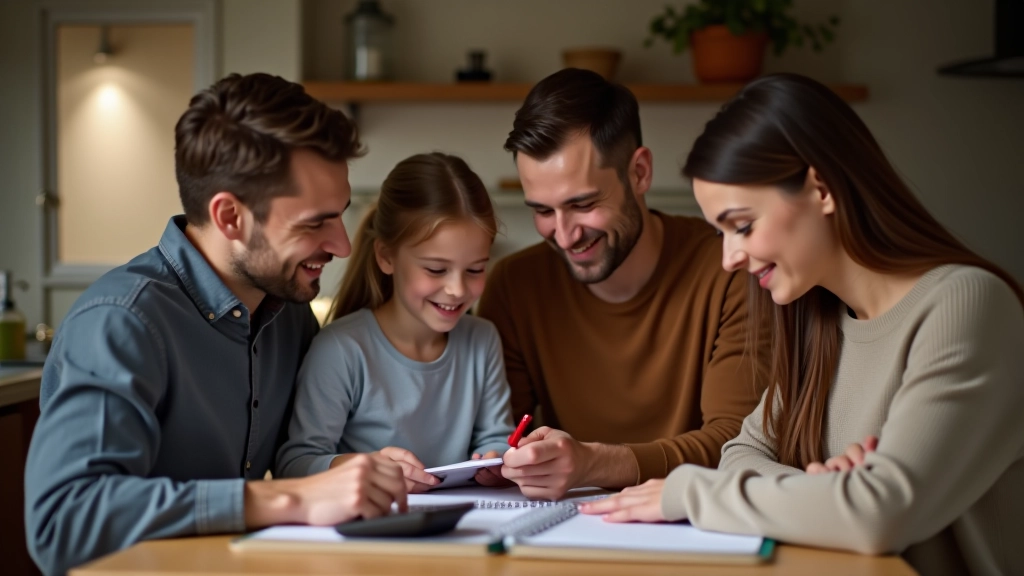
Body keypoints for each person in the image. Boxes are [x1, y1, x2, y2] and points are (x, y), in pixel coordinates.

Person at [581, 73, 1024, 576]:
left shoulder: (967, 306)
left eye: (743, 225)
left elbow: (879, 514)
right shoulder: (818, 320)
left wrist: (687, 491)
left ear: (821, 188)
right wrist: (825, 497)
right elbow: (742, 453)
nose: (729, 257)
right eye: (720, 232)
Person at [24, 73, 408, 576]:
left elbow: (315, 453)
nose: (342, 245)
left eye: (340, 215)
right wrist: (285, 499)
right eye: (314, 223)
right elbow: (63, 522)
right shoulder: (121, 323)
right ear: (230, 217)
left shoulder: (289, 312)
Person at [477, 68, 766, 500]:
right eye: (542, 210)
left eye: (583, 204)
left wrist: (596, 463)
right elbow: (502, 434)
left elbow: (738, 443)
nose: (564, 234)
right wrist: (498, 460)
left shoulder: (732, 269)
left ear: (640, 172)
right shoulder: (514, 284)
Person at [276, 153, 514, 492]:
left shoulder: (482, 339)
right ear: (386, 256)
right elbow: (295, 464)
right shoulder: (341, 349)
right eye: (435, 269)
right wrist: (362, 467)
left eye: (475, 269)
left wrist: (499, 460)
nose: (458, 289)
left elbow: (496, 438)